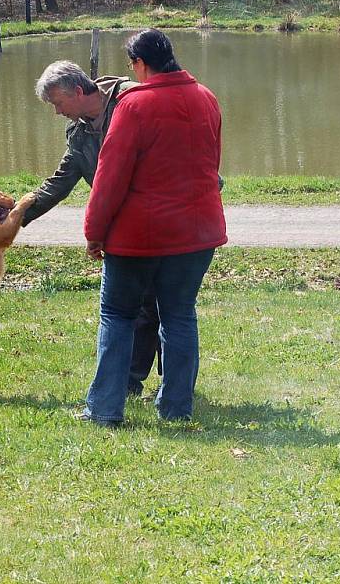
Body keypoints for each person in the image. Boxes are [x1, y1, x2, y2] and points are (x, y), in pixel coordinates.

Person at [82, 29, 227, 425]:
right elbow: (210, 167)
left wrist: (94, 231)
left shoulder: (134, 105)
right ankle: (176, 408)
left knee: (117, 314)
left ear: (141, 64)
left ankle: (104, 410)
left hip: (140, 237)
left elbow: (110, 176)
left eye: (133, 66)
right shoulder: (207, 98)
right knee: (179, 315)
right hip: (196, 234)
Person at [25, 60, 161, 397]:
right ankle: (131, 381)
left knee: (162, 305)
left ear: (77, 91)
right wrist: (17, 216)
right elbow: (61, 182)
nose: (57, 112)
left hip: (160, 221)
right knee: (140, 305)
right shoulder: (78, 131)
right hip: (119, 228)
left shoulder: (134, 101)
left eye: (58, 103)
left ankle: (159, 383)